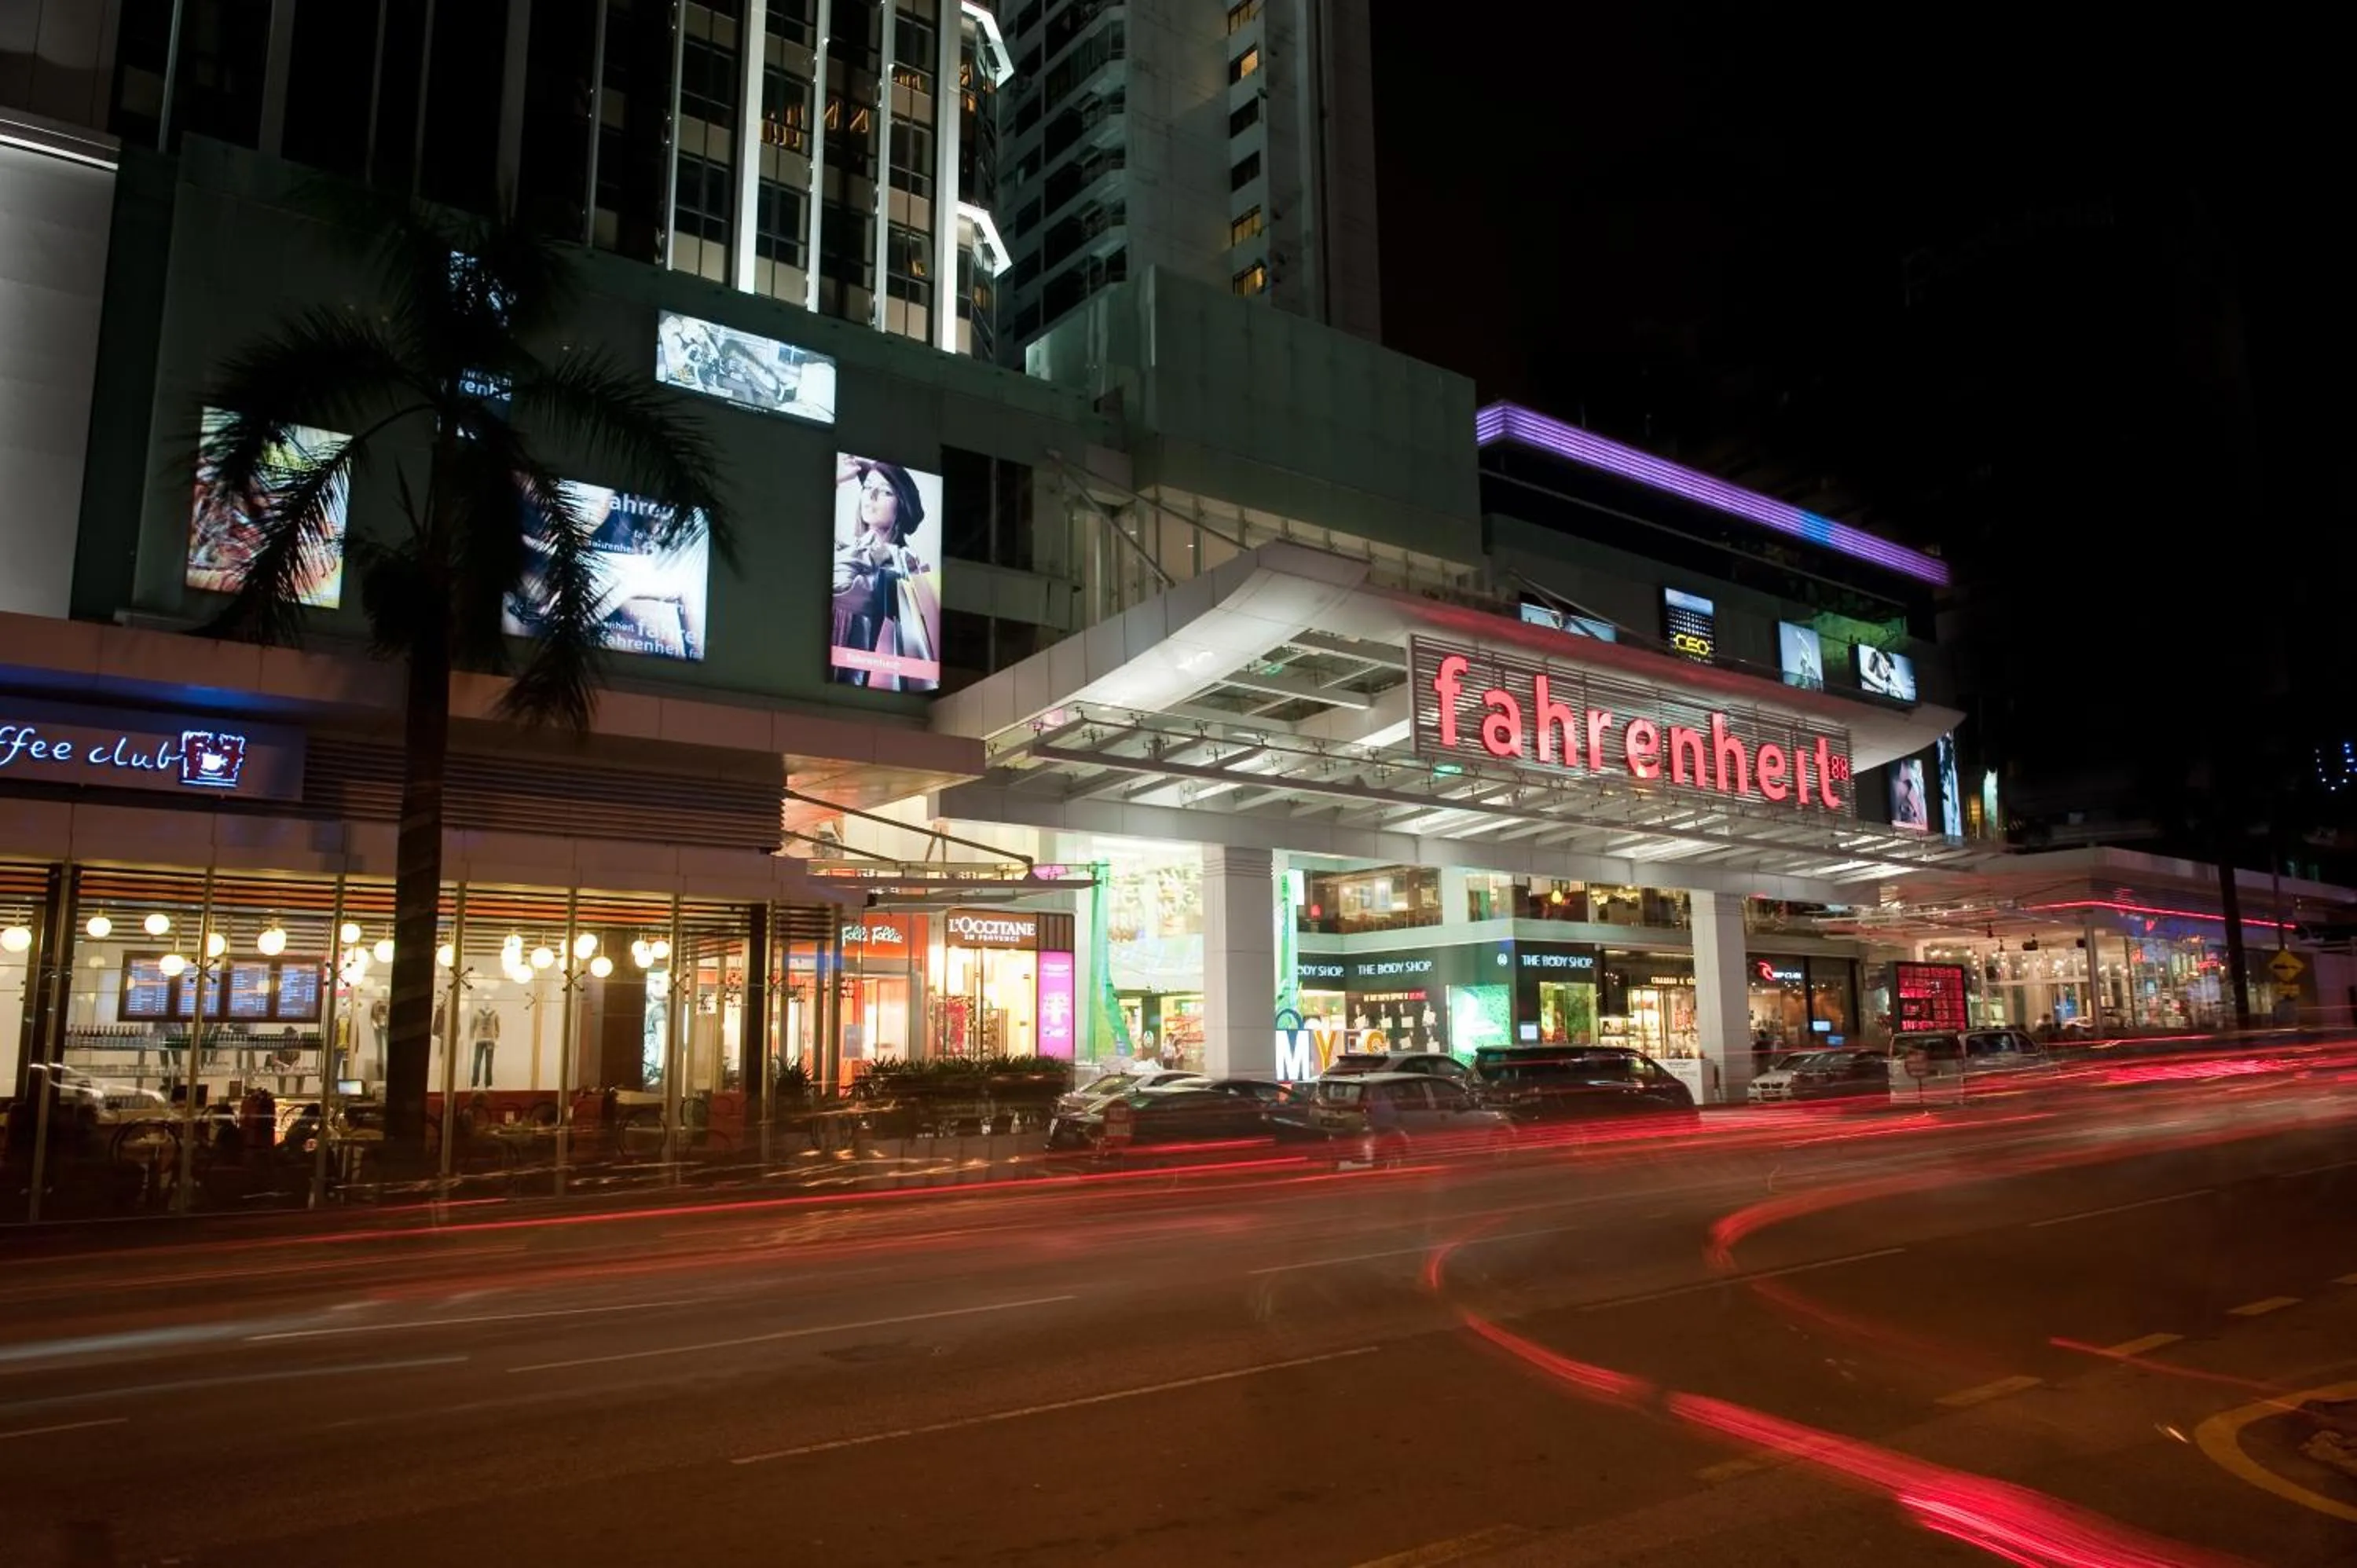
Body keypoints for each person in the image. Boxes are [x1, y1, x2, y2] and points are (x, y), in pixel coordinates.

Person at [830, 457, 939, 691]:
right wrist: (838, 478)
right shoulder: (849, 549)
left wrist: (871, 552)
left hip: (871, 676)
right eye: (867, 487)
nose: (871, 497)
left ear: (902, 505)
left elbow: (841, 588)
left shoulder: (902, 561)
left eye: (886, 492)